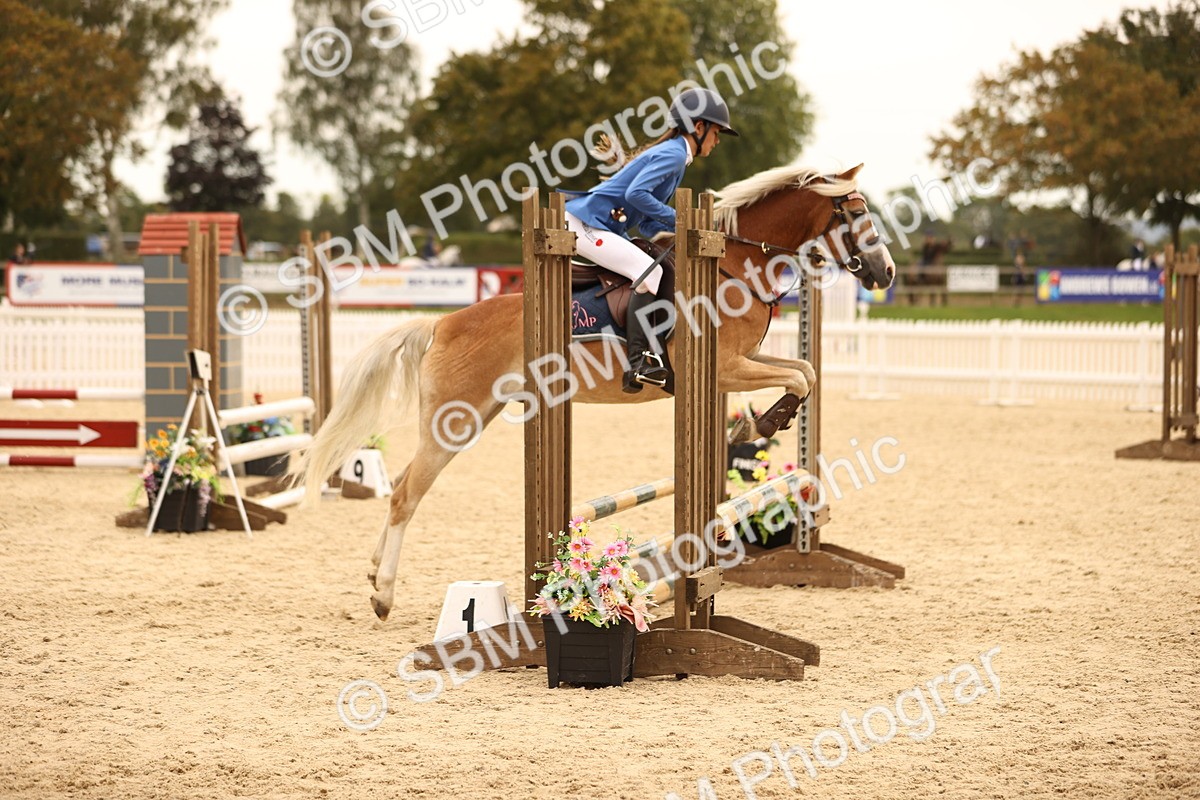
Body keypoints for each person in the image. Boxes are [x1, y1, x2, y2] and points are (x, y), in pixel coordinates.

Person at [563, 87, 737, 393]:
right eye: (716, 132)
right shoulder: (673, 154)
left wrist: (678, 228)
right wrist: (681, 219)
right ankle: (639, 362)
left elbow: (642, 218)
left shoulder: (675, 156)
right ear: (699, 127)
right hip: (586, 224)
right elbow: (635, 195)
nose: (718, 141)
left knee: (654, 263)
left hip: (601, 224)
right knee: (651, 272)